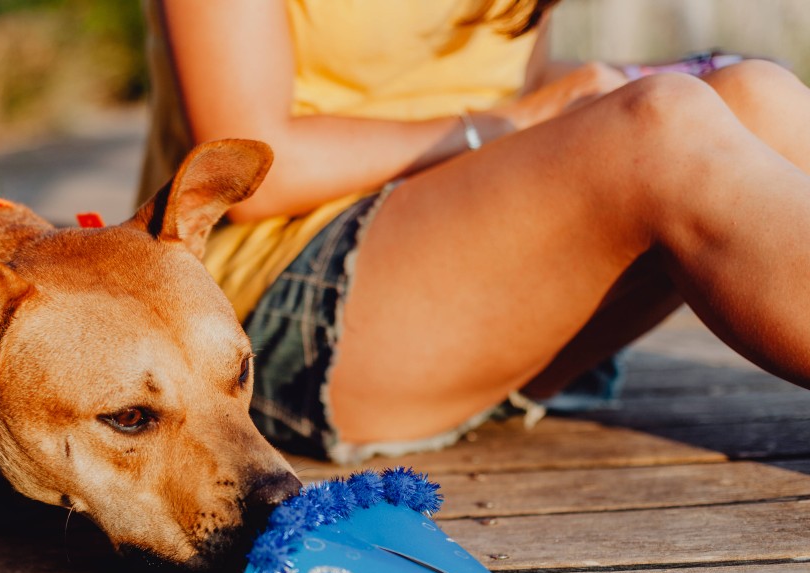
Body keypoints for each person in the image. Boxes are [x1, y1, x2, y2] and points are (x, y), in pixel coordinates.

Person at [138, 0, 810, 463]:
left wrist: (581, 93)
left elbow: (496, 81)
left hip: (464, 260)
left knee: (756, 96)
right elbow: (257, 170)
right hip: (276, 301)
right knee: (661, 127)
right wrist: (507, 125)